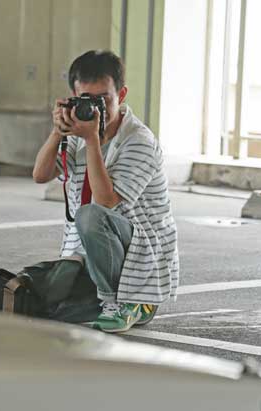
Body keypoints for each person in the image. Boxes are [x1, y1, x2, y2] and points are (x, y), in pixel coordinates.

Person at [32, 49, 179, 333]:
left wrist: (91, 141)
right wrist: (57, 132)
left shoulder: (139, 141)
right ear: (73, 97)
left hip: (142, 256)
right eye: (87, 99)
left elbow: (105, 202)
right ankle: (102, 296)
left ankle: (127, 303)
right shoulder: (79, 131)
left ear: (121, 95)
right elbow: (40, 175)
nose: (96, 108)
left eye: (104, 99)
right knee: (44, 303)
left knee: (90, 216)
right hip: (94, 253)